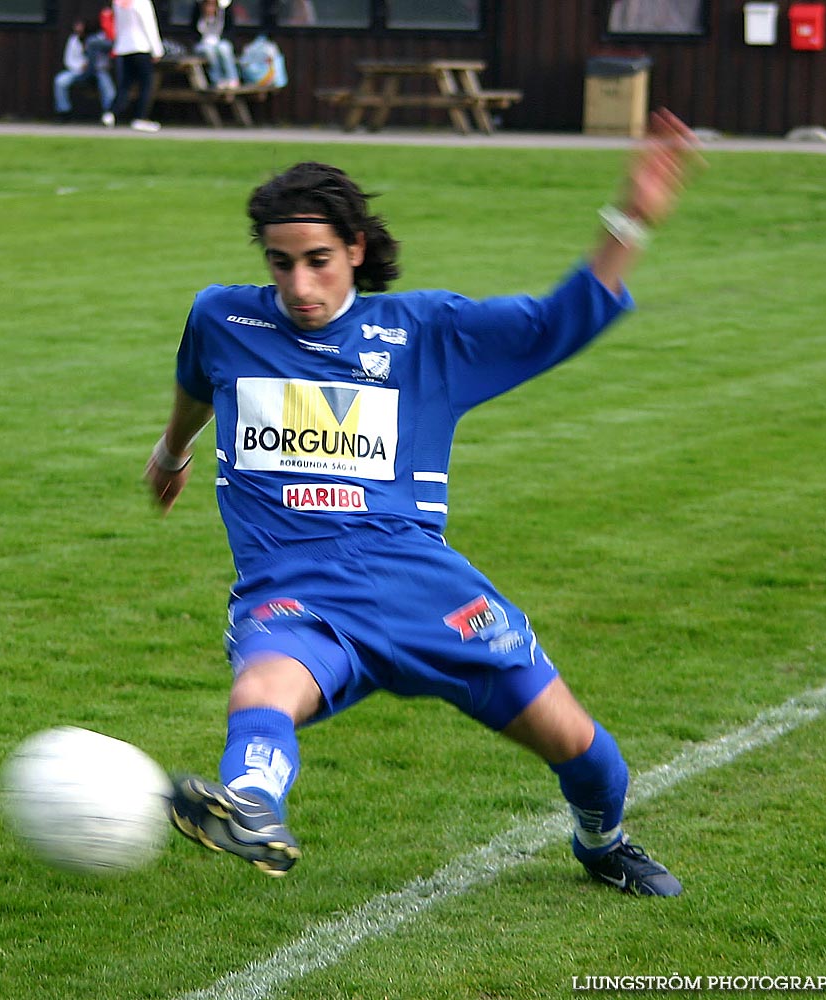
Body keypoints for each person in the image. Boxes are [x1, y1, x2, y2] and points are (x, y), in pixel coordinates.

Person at [145, 110, 701, 895]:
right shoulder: (223, 317)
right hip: (297, 591)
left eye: (318, 261)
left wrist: (632, 216)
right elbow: (198, 380)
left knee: (586, 751)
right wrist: (172, 451)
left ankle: (601, 840)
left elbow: (555, 322)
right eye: (280, 263)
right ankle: (251, 806)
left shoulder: (425, 333)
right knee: (262, 686)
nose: (299, 285)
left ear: (356, 251)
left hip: (423, 589)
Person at [103, 0, 164, 133]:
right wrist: (157, 49)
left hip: (123, 47)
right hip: (141, 46)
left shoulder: (118, 3)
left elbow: (118, 26)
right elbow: (149, 24)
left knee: (125, 84)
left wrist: (118, 43)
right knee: (146, 84)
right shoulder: (142, 2)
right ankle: (140, 118)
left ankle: (111, 113)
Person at [53, 18, 116, 121]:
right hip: (78, 71)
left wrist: (95, 65)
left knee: (107, 85)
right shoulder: (73, 40)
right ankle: (64, 111)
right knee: (60, 81)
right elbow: (69, 60)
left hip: (98, 71)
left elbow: (106, 58)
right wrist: (81, 66)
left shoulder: (99, 39)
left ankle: (108, 112)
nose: (78, 29)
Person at [191, 0, 239, 90]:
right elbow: (193, 32)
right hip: (202, 44)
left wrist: (219, 39)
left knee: (224, 48)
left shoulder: (224, 14)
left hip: (220, 41)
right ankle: (217, 79)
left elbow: (230, 31)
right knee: (209, 51)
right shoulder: (198, 13)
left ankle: (232, 78)